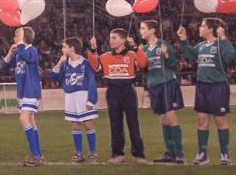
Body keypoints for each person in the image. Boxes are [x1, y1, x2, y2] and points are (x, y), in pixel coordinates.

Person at [178, 18, 236, 165]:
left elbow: (231, 56)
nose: (200, 28)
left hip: (218, 86)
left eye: (203, 26)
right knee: (202, 120)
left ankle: (224, 154)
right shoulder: (201, 46)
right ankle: (202, 153)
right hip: (202, 87)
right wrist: (184, 40)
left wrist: (223, 37)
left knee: (219, 119)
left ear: (211, 29)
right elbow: (190, 55)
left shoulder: (220, 44)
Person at [87, 28, 146, 164]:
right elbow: (94, 65)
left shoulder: (132, 54)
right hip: (112, 92)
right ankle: (117, 154)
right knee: (115, 125)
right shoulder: (105, 56)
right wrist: (93, 49)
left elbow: (142, 63)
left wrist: (137, 48)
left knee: (133, 124)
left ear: (123, 40)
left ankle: (139, 155)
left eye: (114, 38)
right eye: (110, 37)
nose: (111, 40)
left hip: (128, 91)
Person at [137, 20, 185, 164]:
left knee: (171, 116)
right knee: (163, 118)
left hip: (167, 83)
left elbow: (173, 65)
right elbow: (143, 69)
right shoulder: (144, 49)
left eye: (143, 28)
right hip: (154, 85)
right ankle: (169, 152)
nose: (141, 31)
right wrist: (138, 54)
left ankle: (179, 152)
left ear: (152, 31)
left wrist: (167, 55)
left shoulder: (163, 45)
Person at [50, 37, 99, 164]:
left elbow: (91, 82)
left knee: (88, 124)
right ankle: (79, 153)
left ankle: (93, 153)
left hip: (83, 95)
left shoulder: (85, 63)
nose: (62, 49)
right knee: (75, 124)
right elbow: (55, 77)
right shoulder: (65, 64)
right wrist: (59, 63)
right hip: (70, 96)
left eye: (64, 47)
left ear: (71, 48)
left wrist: (91, 100)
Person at [1, 26, 44, 166]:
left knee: (23, 118)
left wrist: (19, 43)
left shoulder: (31, 50)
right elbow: (3, 66)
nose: (14, 39)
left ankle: (35, 155)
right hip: (23, 91)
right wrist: (10, 53)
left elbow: (27, 57)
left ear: (23, 38)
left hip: (31, 89)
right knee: (31, 121)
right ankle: (37, 153)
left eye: (17, 36)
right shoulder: (19, 52)